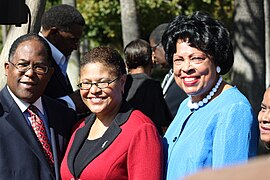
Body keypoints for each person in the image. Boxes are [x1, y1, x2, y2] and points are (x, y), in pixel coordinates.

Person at [161, 11, 259, 179]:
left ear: (217, 60)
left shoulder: (234, 110)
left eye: (197, 58)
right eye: (179, 60)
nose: (186, 68)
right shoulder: (187, 105)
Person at [60, 46, 163, 179]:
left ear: (122, 82)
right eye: (86, 83)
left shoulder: (140, 129)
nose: (94, 90)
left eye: (103, 82)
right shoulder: (79, 127)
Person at [0, 33, 77, 179]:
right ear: (7, 68)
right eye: (23, 65)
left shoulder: (64, 116)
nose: (30, 73)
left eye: (39, 67)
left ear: (50, 74)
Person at [40, 4, 89, 116]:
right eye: (72, 40)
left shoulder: (58, 56)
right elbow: (33, 105)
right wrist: (71, 102)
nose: (76, 46)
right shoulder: (36, 55)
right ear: (54, 33)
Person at [123, 39, 172, 135]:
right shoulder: (152, 86)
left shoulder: (122, 84)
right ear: (150, 60)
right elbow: (162, 121)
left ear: (127, 62)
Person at [149, 23, 187, 118]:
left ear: (165, 45)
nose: (153, 55)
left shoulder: (185, 79)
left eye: (154, 49)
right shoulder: (170, 75)